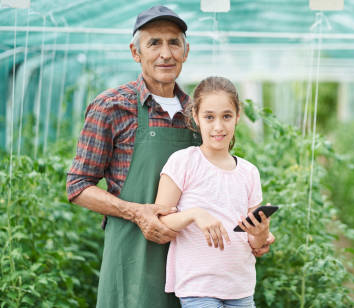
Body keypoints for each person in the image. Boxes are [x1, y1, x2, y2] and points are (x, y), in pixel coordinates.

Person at [65, 6, 274, 308]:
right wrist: (136, 212)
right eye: (154, 43)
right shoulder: (112, 107)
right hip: (133, 255)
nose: (166, 53)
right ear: (135, 52)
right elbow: (78, 186)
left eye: (174, 42)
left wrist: (255, 235)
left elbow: (219, 185)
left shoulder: (198, 113)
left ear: (186, 51)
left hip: (197, 267)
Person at [155, 76, 269, 308]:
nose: (218, 126)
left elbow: (255, 242)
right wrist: (195, 214)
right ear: (195, 117)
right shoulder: (183, 162)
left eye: (226, 116)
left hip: (241, 287)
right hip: (198, 287)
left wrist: (261, 233)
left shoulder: (249, 172)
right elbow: (160, 222)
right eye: (209, 117)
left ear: (237, 116)